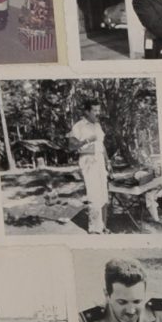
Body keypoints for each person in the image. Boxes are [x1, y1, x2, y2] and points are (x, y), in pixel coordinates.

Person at [70, 93, 110, 234]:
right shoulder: (79, 126)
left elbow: (101, 145)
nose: (97, 113)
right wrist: (86, 141)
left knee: (104, 194)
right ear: (87, 111)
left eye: (99, 110)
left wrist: (108, 162)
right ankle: (94, 229)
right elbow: (71, 146)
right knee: (94, 194)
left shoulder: (97, 125)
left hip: (100, 160)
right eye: (95, 110)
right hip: (88, 160)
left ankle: (103, 226)